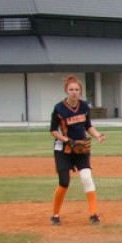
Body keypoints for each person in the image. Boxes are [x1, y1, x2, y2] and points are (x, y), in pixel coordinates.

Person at [49, 75, 106, 225]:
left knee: (86, 177)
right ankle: (55, 215)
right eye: (71, 89)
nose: (74, 92)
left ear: (80, 91)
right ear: (66, 91)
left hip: (80, 147)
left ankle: (93, 214)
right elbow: (53, 131)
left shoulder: (84, 106)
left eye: (76, 89)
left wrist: (97, 135)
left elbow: (88, 126)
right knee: (64, 182)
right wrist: (67, 140)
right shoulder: (59, 108)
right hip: (63, 149)